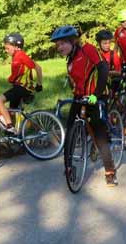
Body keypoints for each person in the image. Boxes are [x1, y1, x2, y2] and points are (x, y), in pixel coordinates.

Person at [50, 25, 118, 186]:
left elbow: (103, 69)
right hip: (80, 97)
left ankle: (110, 171)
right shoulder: (70, 59)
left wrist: (96, 94)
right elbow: (75, 81)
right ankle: (68, 167)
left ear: (72, 41)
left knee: (99, 133)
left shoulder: (88, 49)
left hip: (96, 96)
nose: (59, 47)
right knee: (70, 132)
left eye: (62, 43)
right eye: (57, 45)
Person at [0, 33, 43, 134]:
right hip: (19, 87)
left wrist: (39, 84)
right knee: (13, 112)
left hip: (22, 88)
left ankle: (9, 126)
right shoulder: (17, 56)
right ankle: (21, 133)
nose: (6, 50)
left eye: (8, 48)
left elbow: (38, 68)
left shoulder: (21, 55)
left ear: (16, 46)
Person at [96, 29, 122, 101]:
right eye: (105, 43)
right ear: (99, 43)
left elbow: (119, 72)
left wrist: (106, 73)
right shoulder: (95, 53)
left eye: (109, 43)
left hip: (109, 82)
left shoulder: (113, 54)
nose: (108, 45)